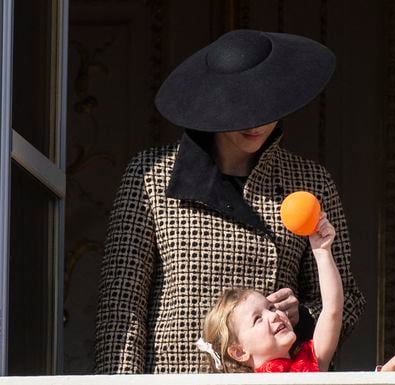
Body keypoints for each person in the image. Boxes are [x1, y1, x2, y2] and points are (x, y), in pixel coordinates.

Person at [94, 29, 365, 374]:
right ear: (211, 103)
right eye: (240, 107)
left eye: (267, 106)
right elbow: (121, 307)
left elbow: (348, 302)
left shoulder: (309, 181)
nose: (256, 122)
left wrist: (303, 316)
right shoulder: (151, 176)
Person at [197, 212, 342, 372]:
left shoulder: (311, 360)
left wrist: (322, 252)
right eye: (258, 319)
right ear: (239, 352)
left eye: (271, 307)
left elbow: (332, 311)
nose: (274, 315)